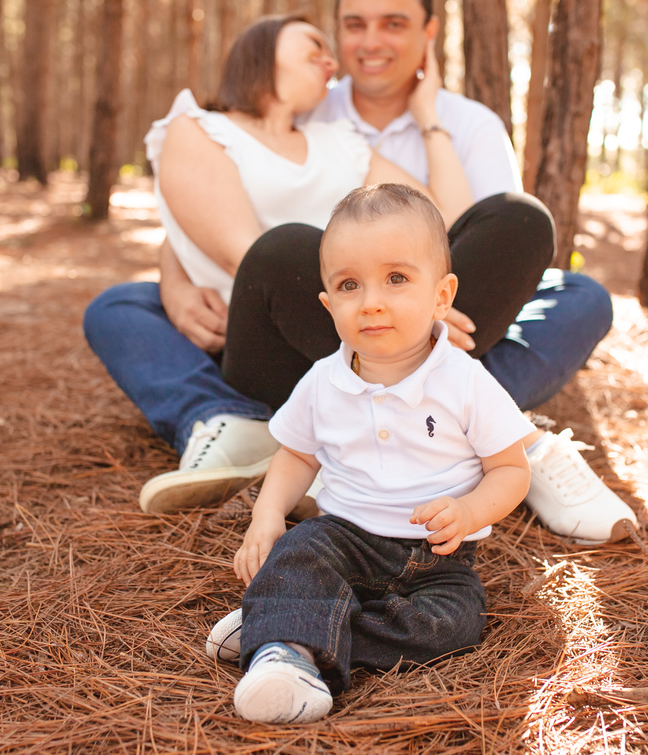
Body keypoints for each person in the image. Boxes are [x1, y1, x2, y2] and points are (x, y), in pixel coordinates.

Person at [84, 0, 636, 546]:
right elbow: (216, 223)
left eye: (393, 24)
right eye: (352, 26)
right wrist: (172, 276)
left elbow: (460, 231)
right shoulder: (312, 110)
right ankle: (498, 431)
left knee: (563, 273)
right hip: (301, 321)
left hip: (423, 310)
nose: (364, 44)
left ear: (428, 32)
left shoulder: (444, 125)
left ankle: (463, 423)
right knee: (133, 303)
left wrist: (430, 123)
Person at [223, 184, 535, 724]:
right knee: (301, 550)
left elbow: (510, 470)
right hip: (345, 536)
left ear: (442, 295)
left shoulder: (464, 381)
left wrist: (469, 511)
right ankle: (287, 649)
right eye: (349, 285)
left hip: (440, 558)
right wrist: (267, 515)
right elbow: (297, 456)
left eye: (396, 278)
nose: (371, 300)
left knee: (455, 627)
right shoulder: (324, 380)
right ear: (328, 304)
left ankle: (281, 625)